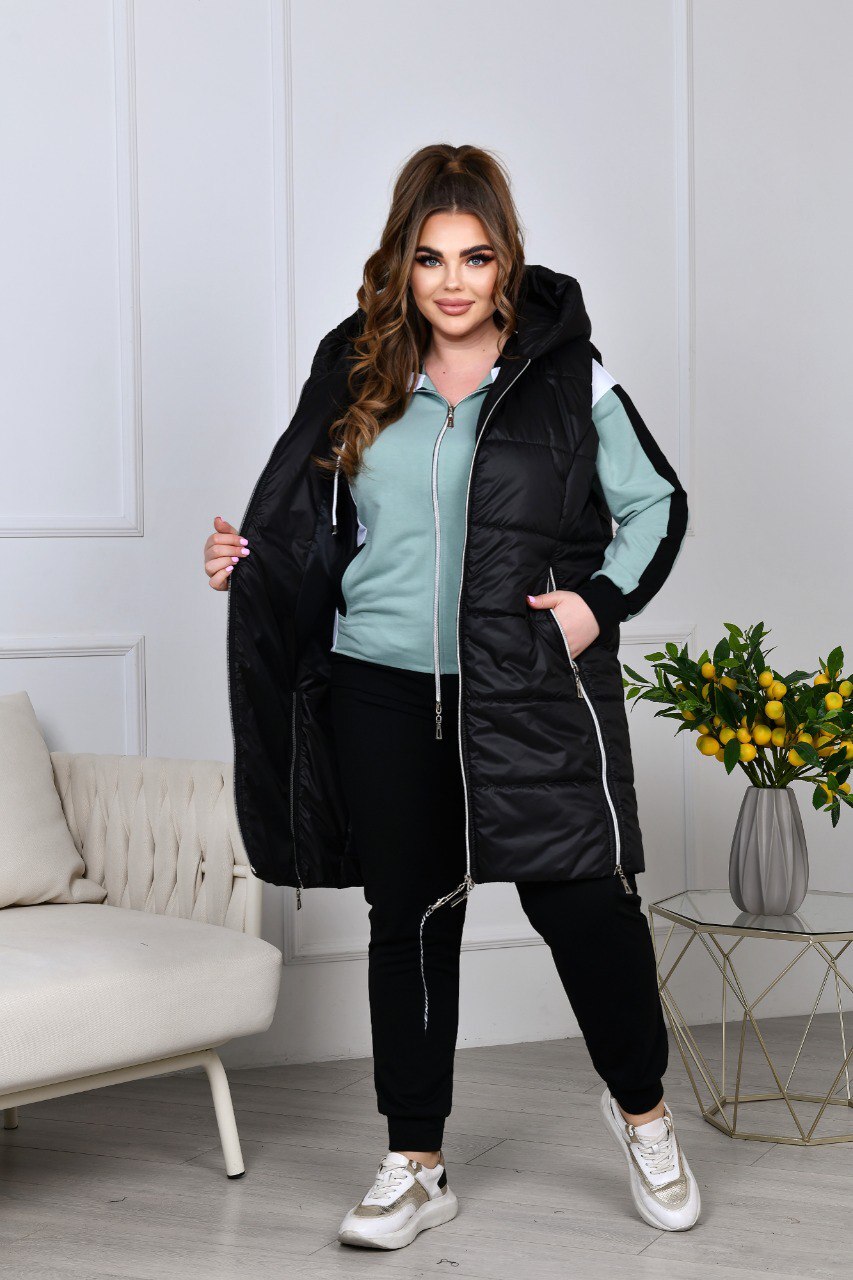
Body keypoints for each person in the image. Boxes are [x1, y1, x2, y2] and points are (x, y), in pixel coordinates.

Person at [204, 143, 700, 1251]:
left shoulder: (566, 374)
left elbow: (656, 503)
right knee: (412, 918)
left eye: (475, 256)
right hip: (380, 687)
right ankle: (416, 1163)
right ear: (403, 263)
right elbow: (304, 522)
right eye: (430, 258)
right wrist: (244, 560)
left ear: (505, 258)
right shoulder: (359, 367)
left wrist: (595, 604)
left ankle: (644, 1115)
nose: (453, 281)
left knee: (582, 904)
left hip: (523, 686)